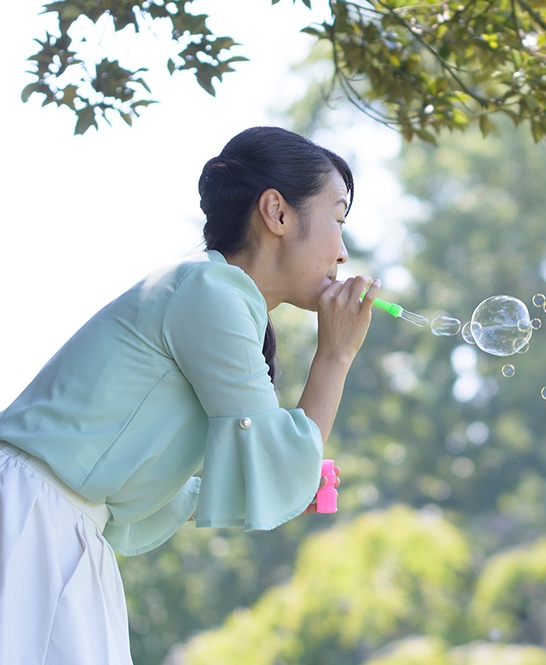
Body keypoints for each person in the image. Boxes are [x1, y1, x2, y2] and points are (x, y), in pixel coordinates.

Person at [0, 126, 381, 664]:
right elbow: (280, 464)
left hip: (63, 525)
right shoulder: (210, 291)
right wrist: (335, 356)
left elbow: (253, 469)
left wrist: (270, 478)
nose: (342, 252)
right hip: (29, 517)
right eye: (337, 220)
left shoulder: (217, 294)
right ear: (276, 212)